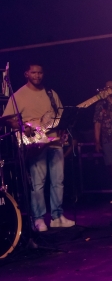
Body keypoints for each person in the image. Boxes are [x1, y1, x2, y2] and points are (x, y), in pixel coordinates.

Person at [2, 64, 75, 232]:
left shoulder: (51, 93)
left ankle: (57, 217)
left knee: (58, 181)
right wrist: (23, 127)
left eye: (40, 72)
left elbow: (60, 115)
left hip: (55, 141)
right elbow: (7, 119)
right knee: (38, 183)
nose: (37, 75)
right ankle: (38, 219)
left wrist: (63, 129)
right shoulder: (18, 95)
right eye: (33, 72)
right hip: (35, 143)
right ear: (26, 74)